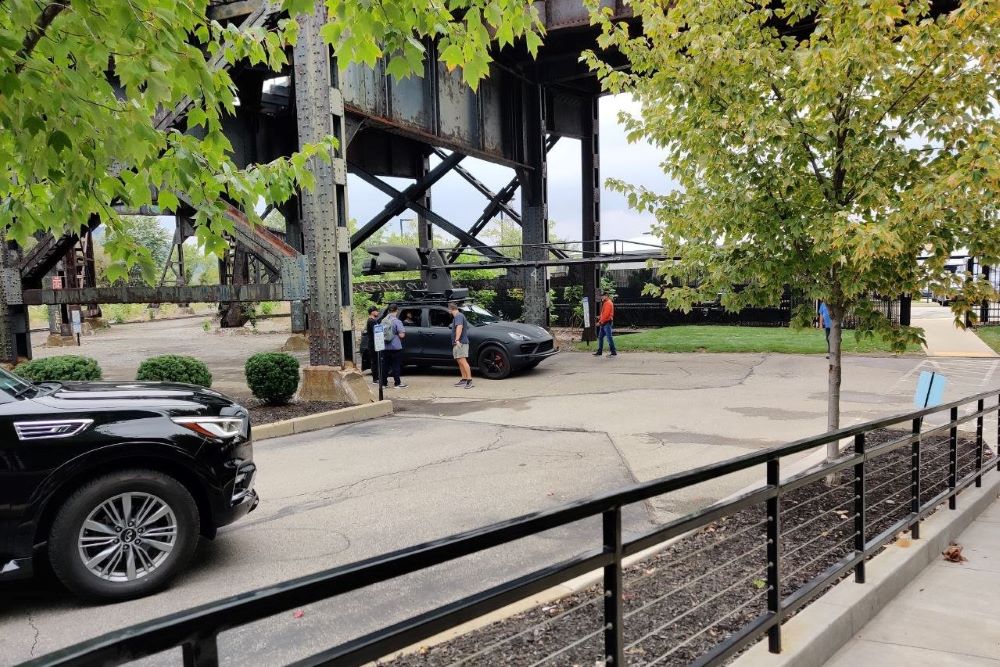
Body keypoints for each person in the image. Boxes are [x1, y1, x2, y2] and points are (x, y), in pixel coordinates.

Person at [380, 304, 407, 389]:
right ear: (397, 310)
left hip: (385, 347)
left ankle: (384, 383)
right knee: (396, 365)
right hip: (395, 347)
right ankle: (397, 383)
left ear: (388, 310)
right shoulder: (397, 321)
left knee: (385, 366)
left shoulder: (383, 320)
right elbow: (402, 335)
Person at [448, 301, 473, 388]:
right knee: (459, 361)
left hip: (460, 342)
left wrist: (457, 339)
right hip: (458, 342)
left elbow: (459, 327)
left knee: (463, 360)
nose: (449, 311)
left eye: (449, 309)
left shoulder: (458, 316)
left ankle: (469, 380)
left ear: (450, 309)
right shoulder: (457, 317)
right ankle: (464, 379)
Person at [594, 292, 617, 358]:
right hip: (604, 323)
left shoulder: (608, 303)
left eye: (603, 296)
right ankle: (599, 352)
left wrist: (600, 322)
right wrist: (599, 317)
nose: (602, 297)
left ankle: (613, 353)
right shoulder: (606, 303)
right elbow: (604, 314)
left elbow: (606, 315)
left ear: (606, 296)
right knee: (600, 337)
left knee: (609, 338)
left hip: (607, 323)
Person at [365, 306, 380, 384]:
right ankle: (375, 378)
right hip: (373, 343)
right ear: (372, 312)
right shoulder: (371, 321)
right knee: (374, 361)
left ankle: (377, 377)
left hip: (374, 343)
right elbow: (376, 331)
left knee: (375, 361)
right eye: (376, 311)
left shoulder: (373, 320)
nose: (377, 312)